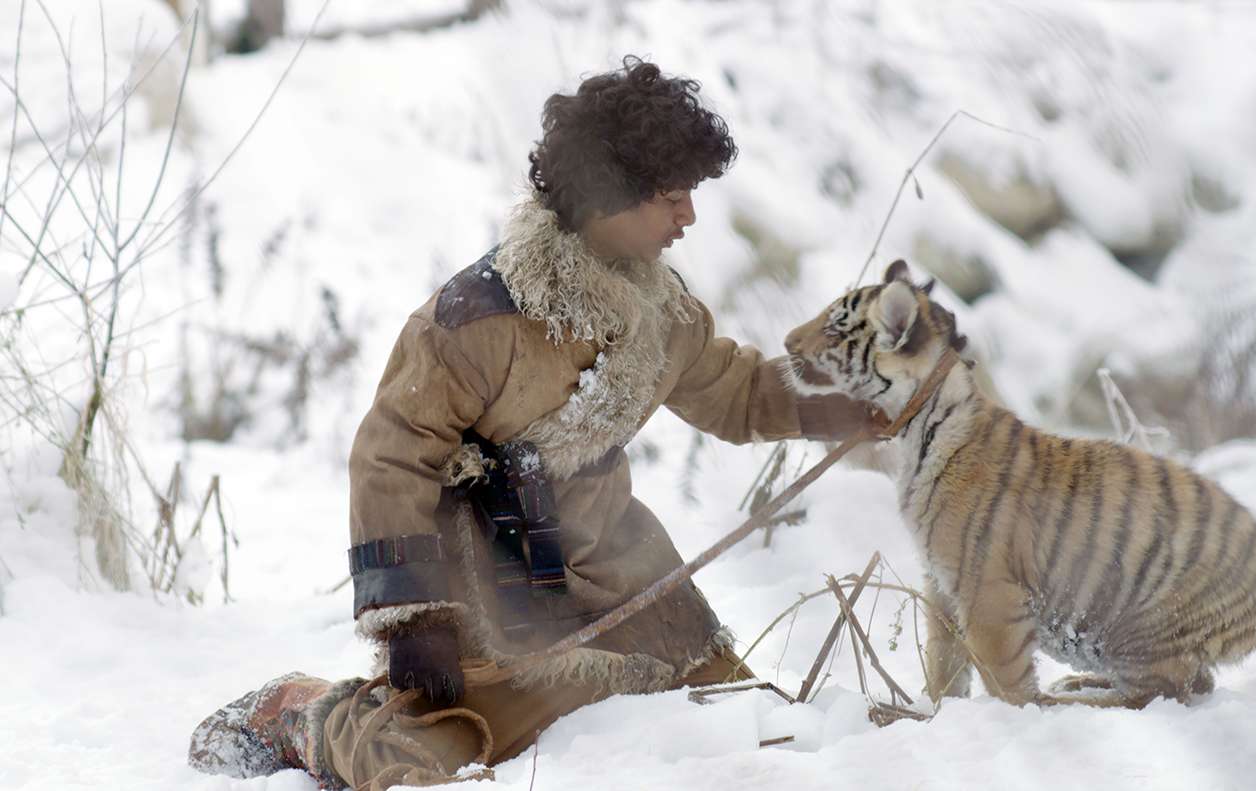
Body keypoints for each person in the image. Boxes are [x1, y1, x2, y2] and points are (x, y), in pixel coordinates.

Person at [187, 56, 883, 790]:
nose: (689, 217)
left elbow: (737, 391)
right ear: (609, 195)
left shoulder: (664, 312)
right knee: (424, 764)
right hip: (490, 589)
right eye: (673, 197)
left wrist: (854, 400)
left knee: (741, 726)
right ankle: (303, 710)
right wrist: (412, 618)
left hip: (622, 572)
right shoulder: (470, 321)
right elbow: (390, 458)